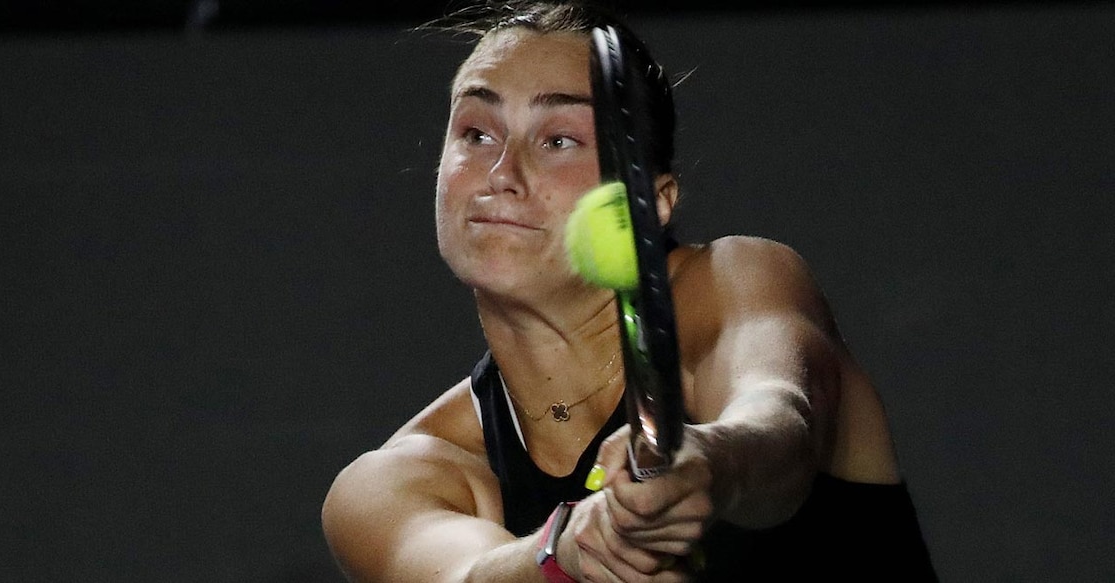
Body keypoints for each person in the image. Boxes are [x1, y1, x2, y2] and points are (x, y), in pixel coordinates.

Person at [322, 1, 937, 581]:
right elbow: (462, 575)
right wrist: (562, 551)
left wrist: (709, 466)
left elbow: (780, 420)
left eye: (558, 140)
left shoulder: (735, 282)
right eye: (477, 133)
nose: (501, 174)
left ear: (653, 203)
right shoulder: (397, 479)